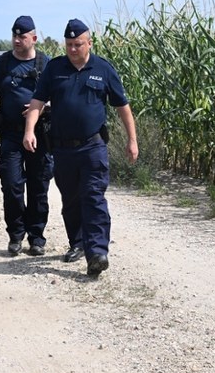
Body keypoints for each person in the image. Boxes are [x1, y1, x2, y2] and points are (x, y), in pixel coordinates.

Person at [22, 18, 138, 277]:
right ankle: (78, 243)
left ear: (89, 43)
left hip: (92, 146)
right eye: (69, 45)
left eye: (78, 44)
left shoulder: (103, 69)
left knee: (93, 197)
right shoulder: (54, 68)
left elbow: (122, 106)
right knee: (71, 200)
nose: (73, 49)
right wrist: (29, 131)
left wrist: (132, 140)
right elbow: (38, 102)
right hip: (62, 149)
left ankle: (97, 251)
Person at [0, 16, 54, 256]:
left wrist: (43, 107)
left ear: (34, 38)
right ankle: (16, 234)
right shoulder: (1, 64)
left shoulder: (46, 64)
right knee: (11, 185)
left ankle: (36, 237)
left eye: (22, 36)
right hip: (10, 134)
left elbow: (58, 97)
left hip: (40, 135)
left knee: (38, 185)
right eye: (15, 36)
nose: (17, 40)